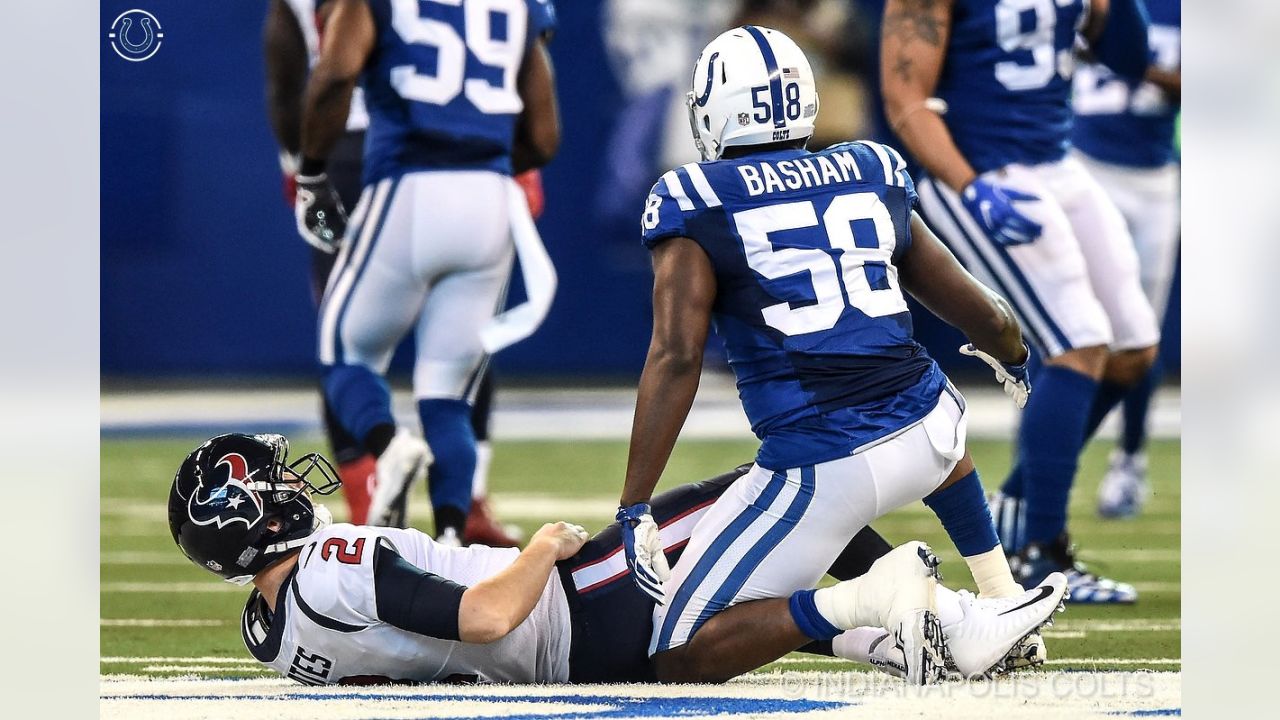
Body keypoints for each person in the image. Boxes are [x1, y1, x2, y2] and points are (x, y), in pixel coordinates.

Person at [613, 25, 1063, 684]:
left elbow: (677, 355)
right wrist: (1013, 352)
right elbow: (978, 308)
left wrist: (635, 503)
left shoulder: (695, 198)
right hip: (933, 430)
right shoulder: (868, 167)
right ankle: (991, 601)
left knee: (679, 650)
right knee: (924, 403)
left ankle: (870, 595)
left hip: (825, 463)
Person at [167, 434, 1067, 686]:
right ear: (247, 513)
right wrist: (541, 551)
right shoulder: (337, 564)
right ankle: (934, 612)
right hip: (570, 610)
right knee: (773, 488)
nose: (292, 479)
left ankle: (902, 638)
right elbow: (481, 615)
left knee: (734, 589)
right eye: (271, 477)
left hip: (557, 655)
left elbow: (404, 625)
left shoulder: (270, 630)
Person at [879, 0, 1159, 602]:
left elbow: (1131, 63)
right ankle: (1041, 554)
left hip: (1055, 163)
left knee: (1133, 350)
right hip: (984, 171)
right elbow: (905, 100)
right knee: (1078, 343)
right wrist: (970, 185)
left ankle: (1017, 500)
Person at [291, 0, 561, 543]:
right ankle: (452, 540)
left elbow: (336, 72)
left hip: (410, 184)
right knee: (449, 392)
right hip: (489, 198)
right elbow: (544, 135)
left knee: (345, 354)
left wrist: (313, 172)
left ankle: (391, 446)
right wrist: (483, 166)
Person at [1071, 0, 1180, 519]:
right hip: (1083, 167)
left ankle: (1129, 457)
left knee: (1143, 334)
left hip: (1155, 178)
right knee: (1071, 322)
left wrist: (1134, 64)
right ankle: (1050, 455)